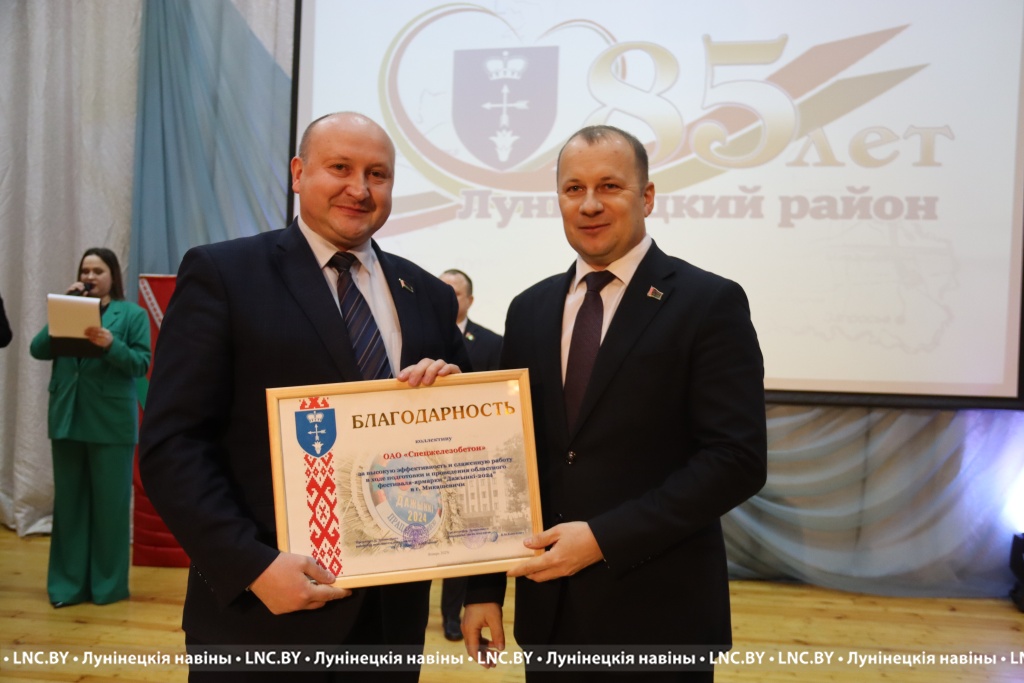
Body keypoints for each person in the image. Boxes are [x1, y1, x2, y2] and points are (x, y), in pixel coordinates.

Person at [138, 112, 471, 682]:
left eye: (377, 175)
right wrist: (252, 567)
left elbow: (459, 448)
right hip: (262, 613)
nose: (359, 189)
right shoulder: (223, 274)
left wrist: (452, 399)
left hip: (389, 622)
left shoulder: (428, 295)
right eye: (339, 168)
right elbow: (173, 446)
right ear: (298, 173)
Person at [463, 125, 767, 682]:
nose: (590, 204)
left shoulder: (709, 302)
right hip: (550, 615)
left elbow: (736, 460)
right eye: (573, 189)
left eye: (609, 186)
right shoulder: (529, 309)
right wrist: (481, 588)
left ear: (646, 197)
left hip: (659, 616)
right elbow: (507, 457)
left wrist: (603, 539)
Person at [29, 247, 151, 607]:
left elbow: (140, 364)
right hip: (67, 418)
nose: (90, 277)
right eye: (85, 271)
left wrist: (112, 345)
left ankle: (107, 587)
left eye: (98, 271)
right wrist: (61, 311)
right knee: (69, 508)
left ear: (113, 276)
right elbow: (38, 349)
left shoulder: (131, 314)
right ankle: (67, 587)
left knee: (110, 509)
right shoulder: (68, 307)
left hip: (111, 424)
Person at [436, 268, 503, 641]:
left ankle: (454, 615)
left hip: (473, 459)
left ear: (470, 300)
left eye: (455, 293)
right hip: (424, 460)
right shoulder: (416, 339)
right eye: (441, 291)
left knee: (465, 537)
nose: (447, 299)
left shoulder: (493, 343)